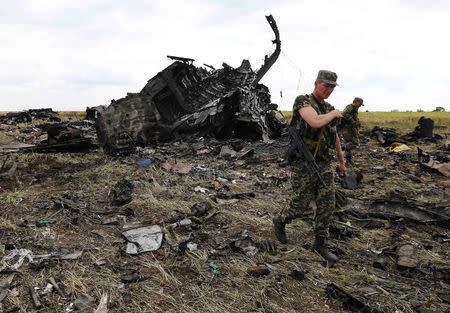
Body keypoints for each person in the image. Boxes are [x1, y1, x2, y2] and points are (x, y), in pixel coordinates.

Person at [273, 70, 347, 265]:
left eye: (332, 87)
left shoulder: (328, 107)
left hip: (324, 162)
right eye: (326, 85)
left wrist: (341, 161)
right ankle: (281, 221)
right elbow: (314, 122)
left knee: (327, 204)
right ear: (316, 83)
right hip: (303, 163)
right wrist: (332, 114)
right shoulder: (303, 102)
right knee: (301, 202)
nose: (329, 90)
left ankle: (320, 243)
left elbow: (335, 136)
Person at [338, 97, 364, 165]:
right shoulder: (349, 107)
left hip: (351, 128)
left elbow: (354, 118)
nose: (360, 106)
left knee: (350, 142)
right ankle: (340, 148)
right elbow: (344, 114)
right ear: (356, 102)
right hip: (346, 128)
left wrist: (357, 123)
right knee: (354, 142)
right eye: (360, 104)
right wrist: (352, 121)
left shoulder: (354, 109)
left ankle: (348, 159)